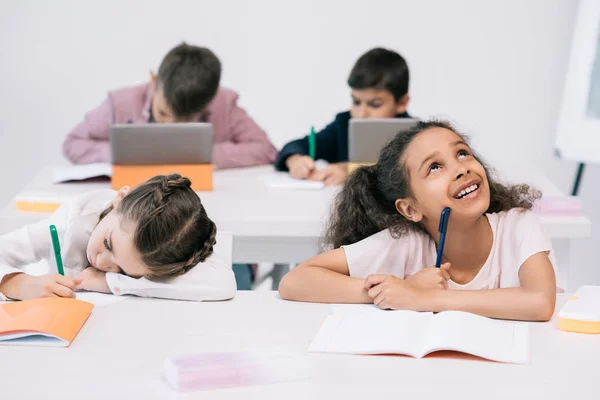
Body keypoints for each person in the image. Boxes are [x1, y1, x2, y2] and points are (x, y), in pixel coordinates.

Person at [279, 120, 558, 321]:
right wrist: (392, 291)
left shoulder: (519, 225)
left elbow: (540, 301)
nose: (461, 168)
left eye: (462, 153)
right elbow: (295, 280)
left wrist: (424, 298)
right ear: (410, 209)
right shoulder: (406, 243)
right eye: (435, 167)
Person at [0, 174, 236, 301]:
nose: (102, 263)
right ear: (120, 198)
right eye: (107, 244)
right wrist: (15, 283)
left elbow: (223, 284)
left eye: (122, 270)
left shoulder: (171, 245)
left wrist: (111, 283)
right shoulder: (72, 221)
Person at [63, 42, 277, 169]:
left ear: (209, 101)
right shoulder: (120, 104)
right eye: (164, 113)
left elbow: (266, 150)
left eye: (186, 120)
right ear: (154, 81)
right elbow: (72, 144)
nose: (172, 126)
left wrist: (203, 154)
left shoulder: (224, 103)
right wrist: (124, 153)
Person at [275, 47, 412, 185]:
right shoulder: (342, 125)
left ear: (401, 103)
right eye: (356, 102)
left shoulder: (414, 134)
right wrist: (295, 160)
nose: (361, 114)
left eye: (375, 104)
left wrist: (351, 171)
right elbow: (295, 145)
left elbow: (407, 172)